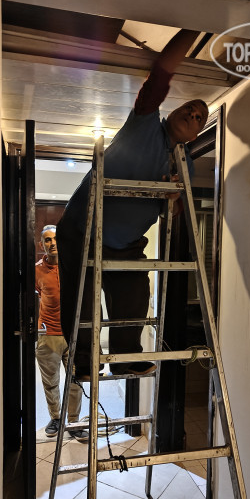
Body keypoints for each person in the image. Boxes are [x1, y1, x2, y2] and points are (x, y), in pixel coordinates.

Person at [56, 29, 209, 380]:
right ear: (172, 111)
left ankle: (125, 357)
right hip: (82, 228)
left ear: (196, 136)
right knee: (81, 296)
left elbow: (175, 213)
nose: (193, 113)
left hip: (124, 243)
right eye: (189, 107)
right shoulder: (145, 122)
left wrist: (173, 198)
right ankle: (83, 359)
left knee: (134, 294)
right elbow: (161, 75)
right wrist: (194, 24)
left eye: (200, 117)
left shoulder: (184, 164)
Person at [35, 224, 88, 441]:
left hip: (73, 334)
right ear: (42, 244)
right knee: (51, 381)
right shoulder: (36, 270)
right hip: (48, 335)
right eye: (47, 240)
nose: (52, 243)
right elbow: (35, 295)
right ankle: (56, 417)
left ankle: (74, 421)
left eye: (56, 238)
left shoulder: (74, 267)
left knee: (75, 380)